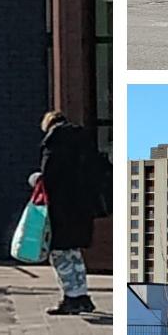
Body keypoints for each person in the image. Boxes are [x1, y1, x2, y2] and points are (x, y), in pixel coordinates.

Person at [35, 110, 99, 316]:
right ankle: (82, 295)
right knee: (74, 253)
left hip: (61, 209)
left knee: (60, 254)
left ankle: (70, 297)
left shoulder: (54, 143)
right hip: (82, 208)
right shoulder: (84, 141)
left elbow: (49, 177)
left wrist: (35, 180)